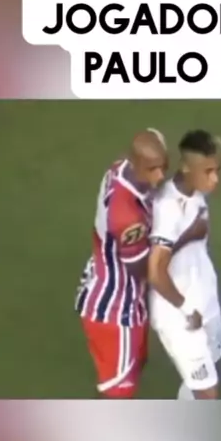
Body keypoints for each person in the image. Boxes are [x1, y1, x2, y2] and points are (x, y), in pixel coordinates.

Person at [75, 129, 168, 398]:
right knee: (119, 394)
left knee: (135, 366)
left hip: (117, 289)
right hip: (116, 311)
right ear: (136, 164)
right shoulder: (126, 216)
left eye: (163, 167)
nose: (160, 176)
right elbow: (143, 270)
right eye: (152, 170)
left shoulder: (120, 168)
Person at [148, 129, 221, 400]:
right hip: (180, 316)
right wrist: (186, 309)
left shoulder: (197, 195)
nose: (215, 179)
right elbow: (155, 271)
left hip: (205, 302)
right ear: (186, 167)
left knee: (207, 375)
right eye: (208, 172)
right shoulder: (168, 207)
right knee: (208, 394)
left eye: (217, 170)